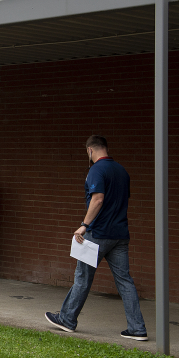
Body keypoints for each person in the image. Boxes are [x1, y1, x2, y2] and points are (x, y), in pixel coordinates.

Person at [45, 135, 148, 341]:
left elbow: (98, 199)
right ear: (105, 149)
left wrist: (84, 225)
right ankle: (137, 329)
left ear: (90, 151)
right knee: (125, 281)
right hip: (120, 235)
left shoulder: (96, 170)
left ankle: (67, 319)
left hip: (98, 234)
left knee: (82, 278)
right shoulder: (122, 171)